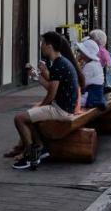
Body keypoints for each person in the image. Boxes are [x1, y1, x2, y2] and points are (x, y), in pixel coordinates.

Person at [11, 32, 81, 170]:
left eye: (43, 44)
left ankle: (30, 156)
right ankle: (40, 148)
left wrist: (41, 105)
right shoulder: (62, 62)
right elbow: (52, 84)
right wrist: (39, 77)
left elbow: (51, 92)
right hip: (65, 107)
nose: (41, 46)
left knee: (19, 119)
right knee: (31, 115)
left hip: (61, 110)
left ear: (49, 46)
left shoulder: (58, 64)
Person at [76, 38, 107, 111]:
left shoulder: (89, 66)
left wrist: (76, 64)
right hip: (97, 96)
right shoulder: (96, 63)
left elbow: (81, 84)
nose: (79, 53)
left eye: (81, 52)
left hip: (91, 98)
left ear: (85, 54)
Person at [89, 28, 111, 94]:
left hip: (107, 87)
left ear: (94, 41)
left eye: (90, 39)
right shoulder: (106, 53)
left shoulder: (98, 52)